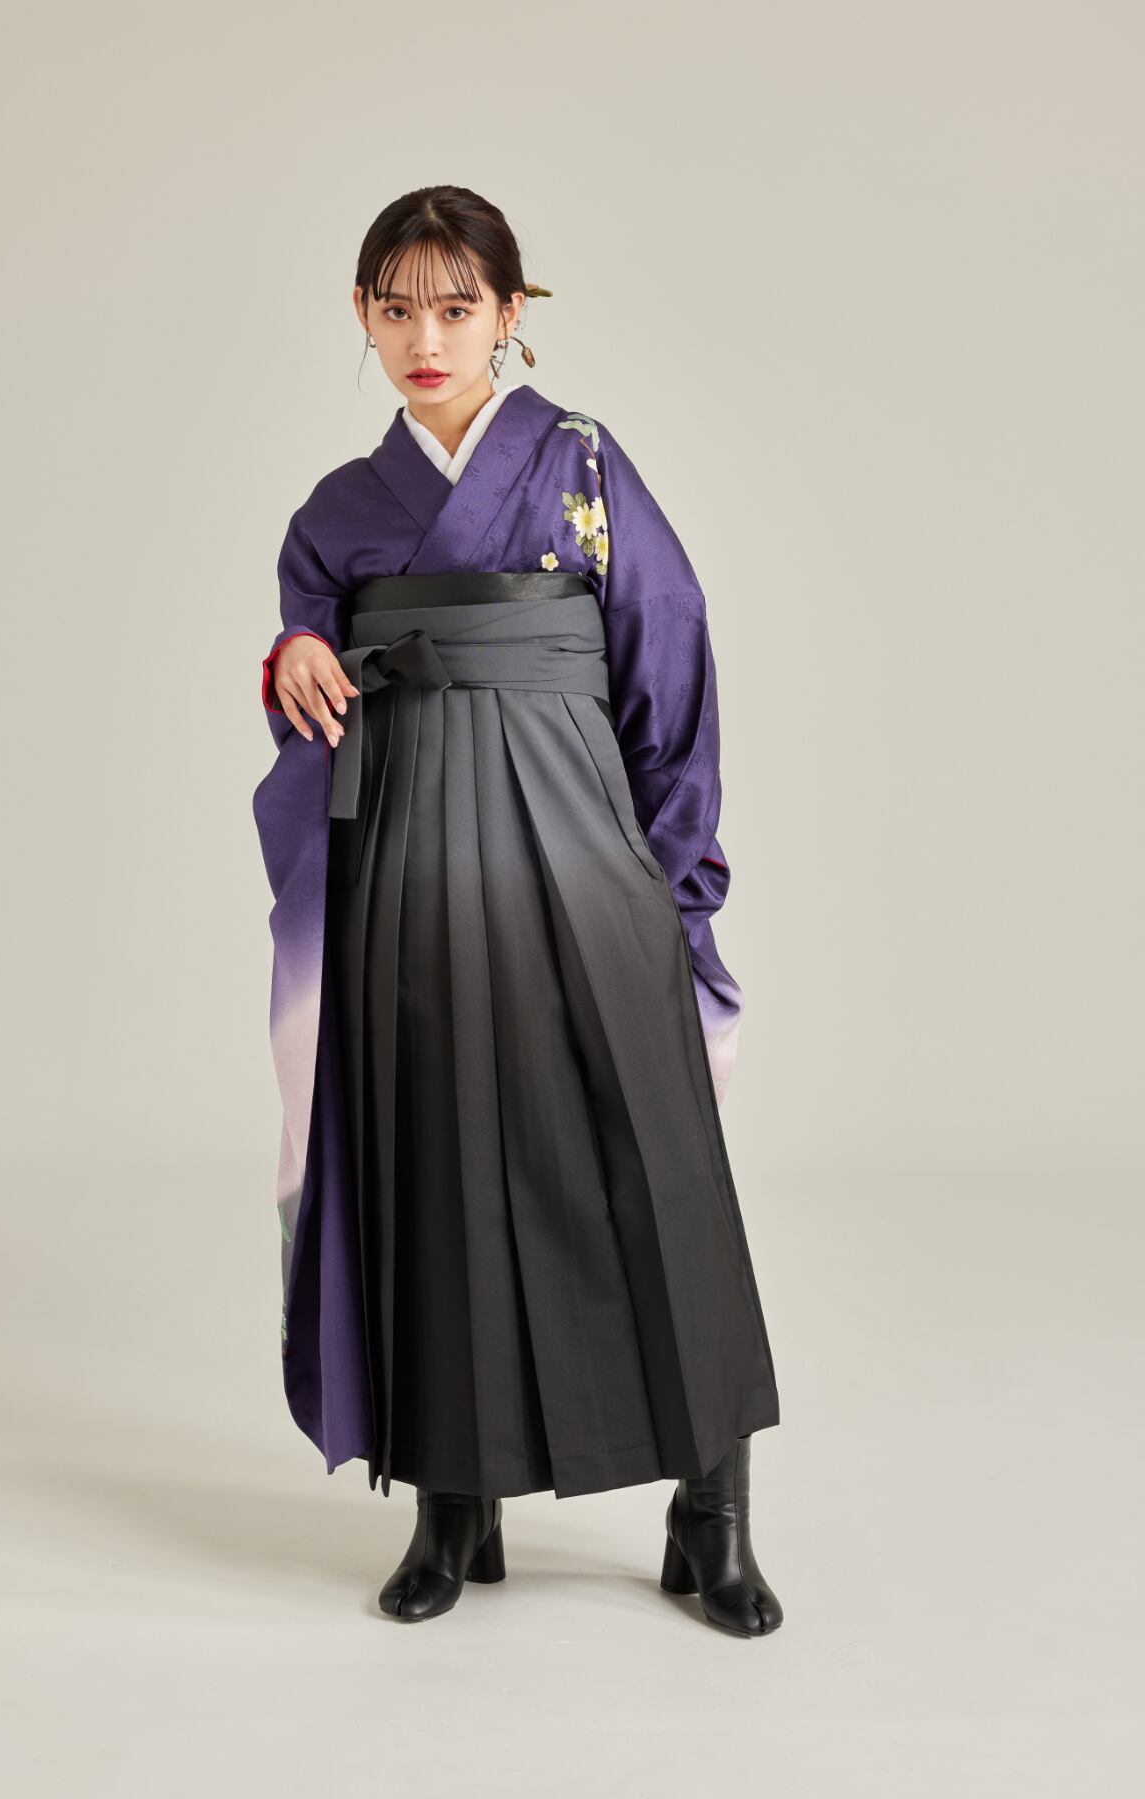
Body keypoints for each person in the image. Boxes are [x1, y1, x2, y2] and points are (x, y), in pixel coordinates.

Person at [253, 185, 783, 1634]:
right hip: (409, 863)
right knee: (430, 1162)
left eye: (457, 306)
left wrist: (674, 879)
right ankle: (453, 1504)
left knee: (654, 1162)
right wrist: (295, 651)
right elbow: (308, 660)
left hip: (580, 843)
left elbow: (668, 658)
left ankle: (712, 1514)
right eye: (397, 310)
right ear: (362, 318)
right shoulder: (337, 513)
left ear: (509, 313)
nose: (427, 338)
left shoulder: (580, 463)